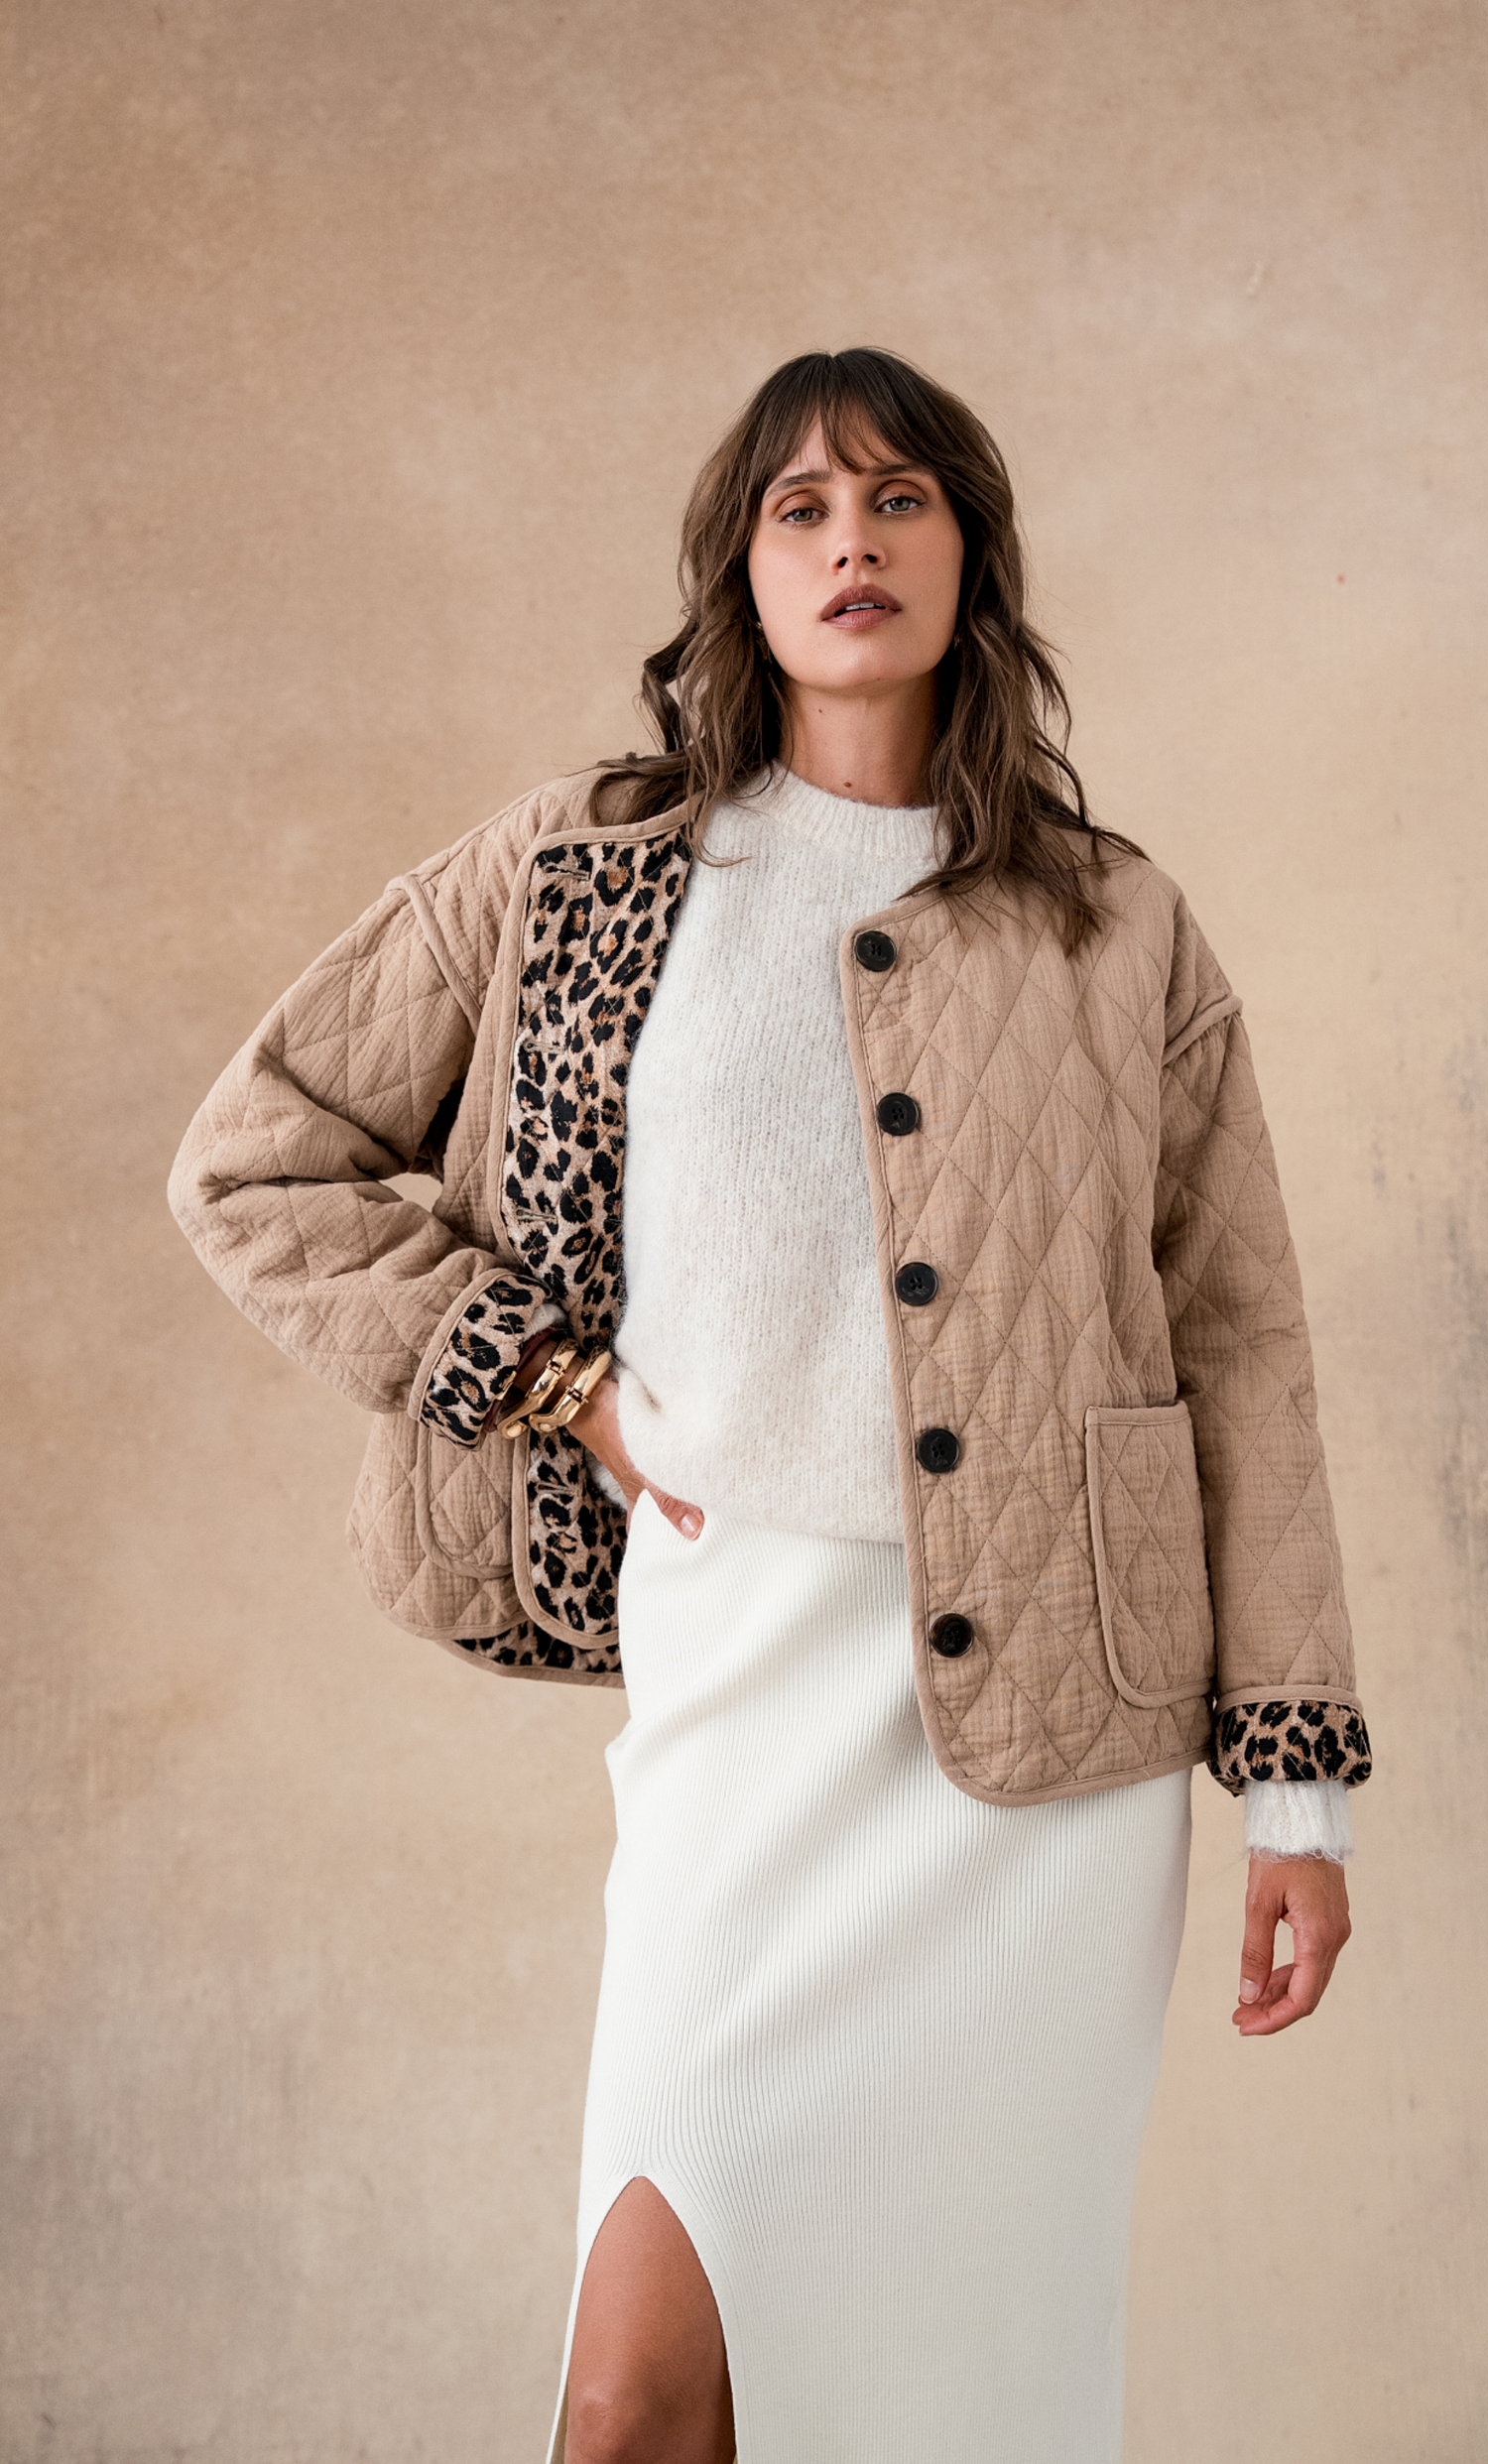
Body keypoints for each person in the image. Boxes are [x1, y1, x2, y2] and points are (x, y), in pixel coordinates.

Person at [170, 346, 1372, 2464]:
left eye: (901, 499)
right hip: (737, 1696)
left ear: (972, 553)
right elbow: (254, 1163)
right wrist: (551, 1381)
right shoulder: (590, 871)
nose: (852, 544)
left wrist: (1298, 1800)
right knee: (635, 2405)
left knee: (960, 2404)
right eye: (801, 507)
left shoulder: (1115, 923)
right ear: (741, 563)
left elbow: (1242, 1343)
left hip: (1051, 1769)